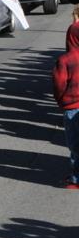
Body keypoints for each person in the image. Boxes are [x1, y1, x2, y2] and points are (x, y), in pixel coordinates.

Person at [53, 20, 79, 189]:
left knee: (75, 144)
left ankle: (76, 178)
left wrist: (60, 100)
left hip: (71, 107)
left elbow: (59, 84)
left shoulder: (65, 60)